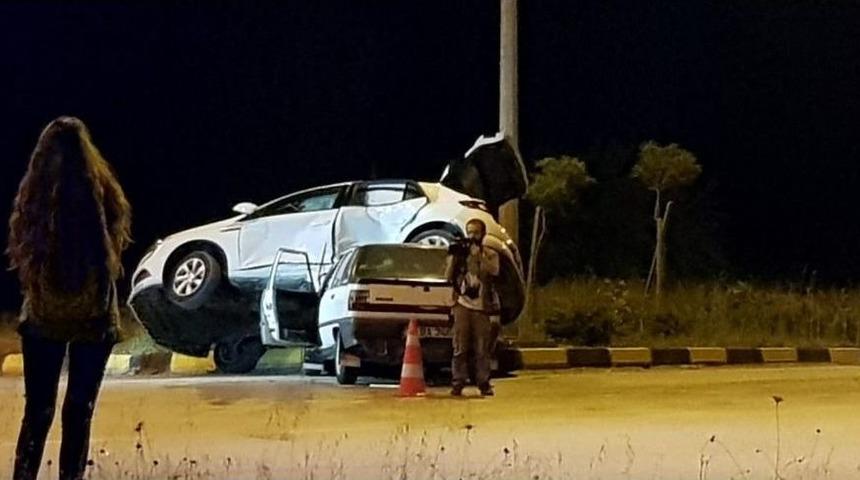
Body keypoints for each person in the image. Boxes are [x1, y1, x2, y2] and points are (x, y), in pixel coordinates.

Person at [6, 116, 132, 480]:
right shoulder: (105, 193)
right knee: (80, 409)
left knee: (39, 411)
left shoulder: (35, 197)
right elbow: (115, 246)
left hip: (44, 319)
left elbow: (23, 252)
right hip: (94, 317)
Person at [445, 218, 500, 396]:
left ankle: (483, 382)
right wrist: (454, 258)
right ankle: (458, 381)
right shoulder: (461, 253)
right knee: (460, 346)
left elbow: (494, 271)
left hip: (482, 306)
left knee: (482, 348)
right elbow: (447, 276)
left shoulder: (490, 253)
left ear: (482, 234)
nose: (472, 236)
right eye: (469, 232)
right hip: (462, 304)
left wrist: (478, 256)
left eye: (475, 232)